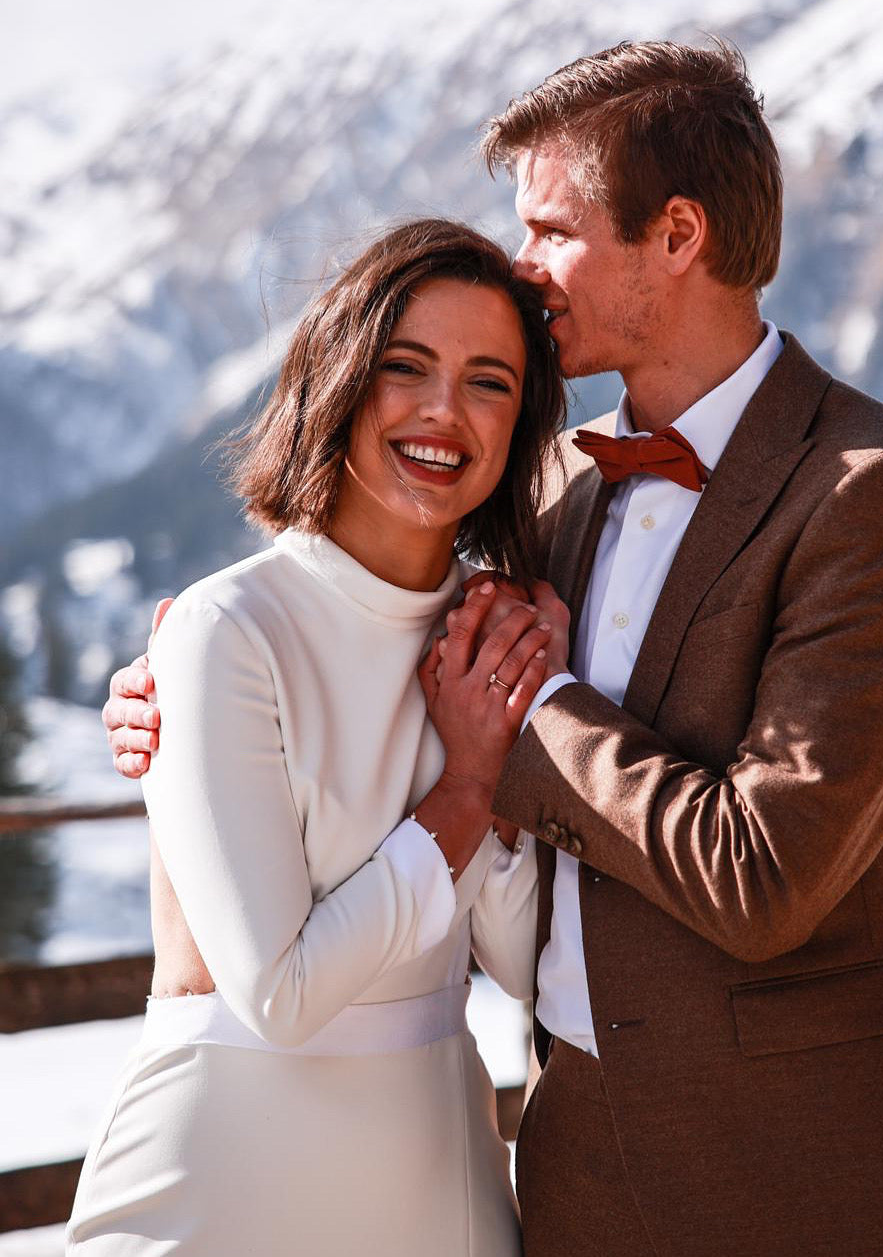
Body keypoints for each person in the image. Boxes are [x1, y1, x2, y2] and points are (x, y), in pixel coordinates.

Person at [105, 41, 883, 1256]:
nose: (525, 270)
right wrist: (182, 688)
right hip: (577, 1169)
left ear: (678, 236)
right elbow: (371, 628)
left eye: (551, 229)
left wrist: (524, 711)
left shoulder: (876, 494)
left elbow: (763, 878)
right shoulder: (543, 484)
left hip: (815, 1168)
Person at [71, 218, 566, 1256]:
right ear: (338, 376)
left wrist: (525, 740)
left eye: (489, 382)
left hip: (437, 1182)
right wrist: (466, 790)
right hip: (222, 1182)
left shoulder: (489, 638)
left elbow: (525, 967)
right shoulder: (225, 631)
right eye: (405, 366)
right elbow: (282, 996)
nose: (443, 411)